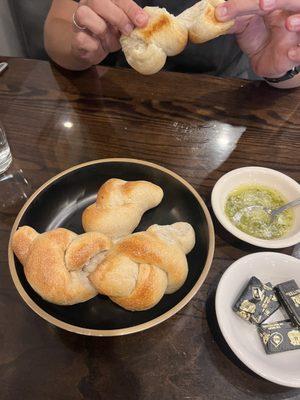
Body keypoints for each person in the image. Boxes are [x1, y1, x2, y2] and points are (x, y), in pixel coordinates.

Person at [44, 0, 300, 88]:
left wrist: (281, 68)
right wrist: (81, 45)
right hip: (118, 95)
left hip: (225, 98)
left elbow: (291, 76)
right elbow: (57, 24)